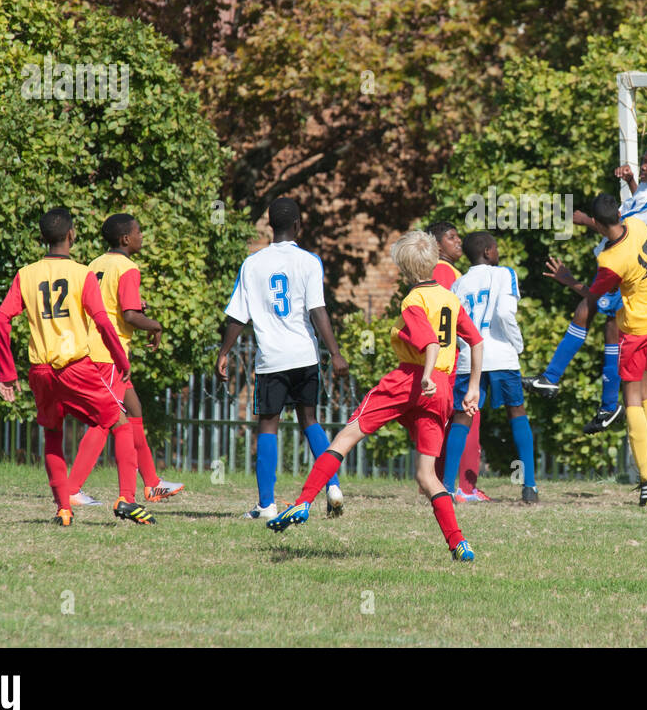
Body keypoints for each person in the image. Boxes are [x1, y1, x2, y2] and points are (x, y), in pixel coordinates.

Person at [268, 231, 484, 562]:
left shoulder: (413, 301)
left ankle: (304, 501)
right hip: (441, 388)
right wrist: (471, 388)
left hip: (411, 379)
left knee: (346, 436)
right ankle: (458, 543)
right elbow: (477, 341)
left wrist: (424, 375)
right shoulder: (451, 298)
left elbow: (429, 344)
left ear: (404, 269)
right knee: (427, 476)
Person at [0, 207, 155, 525]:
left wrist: (7, 373)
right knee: (120, 422)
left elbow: (1, 319)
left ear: (43, 238)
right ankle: (126, 498)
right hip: (76, 367)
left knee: (53, 433)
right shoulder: (81, 274)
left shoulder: (26, 274)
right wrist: (121, 360)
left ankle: (64, 509)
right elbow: (103, 322)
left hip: (40, 371)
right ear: (71, 235)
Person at [524, 145, 647, 434]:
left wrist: (583, 222)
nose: (643, 167)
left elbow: (619, 225)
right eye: (643, 162)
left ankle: (594, 398)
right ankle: (579, 391)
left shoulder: (620, 247)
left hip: (625, 264)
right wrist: (632, 181)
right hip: (636, 258)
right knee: (603, 322)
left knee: (593, 308)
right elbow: (634, 215)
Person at [215, 198, 349, 521]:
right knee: (310, 420)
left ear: (269, 227)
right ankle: (332, 485)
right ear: (299, 225)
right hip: (305, 355)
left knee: (268, 425)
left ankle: (266, 504)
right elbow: (318, 311)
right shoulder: (309, 261)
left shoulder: (252, 264)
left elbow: (237, 316)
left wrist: (224, 352)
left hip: (271, 360)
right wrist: (334, 352)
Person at [546, 193, 647, 504]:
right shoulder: (638, 224)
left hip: (637, 328)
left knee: (630, 400)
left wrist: (568, 279)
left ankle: (646, 477)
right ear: (619, 212)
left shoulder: (610, 260)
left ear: (599, 225)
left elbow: (597, 298)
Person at [68, 213, 184, 507]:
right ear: (125, 239)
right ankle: (71, 488)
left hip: (97, 350)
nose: (142, 236)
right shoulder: (128, 267)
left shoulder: (95, 264)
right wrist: (155, 324)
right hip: (106, 353)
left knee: (133, 408)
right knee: (104, 420)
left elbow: (110, 306)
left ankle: (153, 484)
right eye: (139, 231)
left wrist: (133, 308)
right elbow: (130, 316)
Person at [444, 231, 538, 503]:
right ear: (487, 252)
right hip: (501, 356)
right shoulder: (505, 273)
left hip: (468, 359)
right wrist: (518, 345)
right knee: (516, 413)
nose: (498, 252)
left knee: (462, 418)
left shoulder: (458, 284)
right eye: (495, 248)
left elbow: (455, 326)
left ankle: (448, 488)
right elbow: (505, 313)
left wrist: (465, 348)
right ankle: (529, 487)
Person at [426, 220, 488, 499]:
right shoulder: (444, 272)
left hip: (447, 357)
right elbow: (446, 318)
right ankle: (463, 487)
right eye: (451, 238)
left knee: (448, 421)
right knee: (466, 417)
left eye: (458, 237)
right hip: (452, 358)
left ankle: (440, 482)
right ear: (437, 245)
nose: (458, 242)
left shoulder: (444, 271)